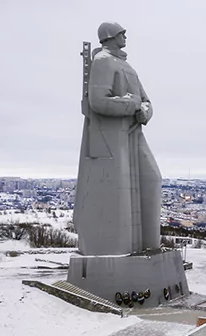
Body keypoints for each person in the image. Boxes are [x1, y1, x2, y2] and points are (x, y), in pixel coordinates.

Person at [73, 22, 161, 256]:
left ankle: (151, 245)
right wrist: (132, 105)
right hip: (111, 137)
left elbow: (146, 100)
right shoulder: (102, 61)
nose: (125, 36)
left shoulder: (126, 66)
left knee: (152, 179)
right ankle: (119, 249)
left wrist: (144, 111)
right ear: (110, 36)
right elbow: (98, 101)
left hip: (133, 132)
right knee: (120, 193)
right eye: (122, 33)